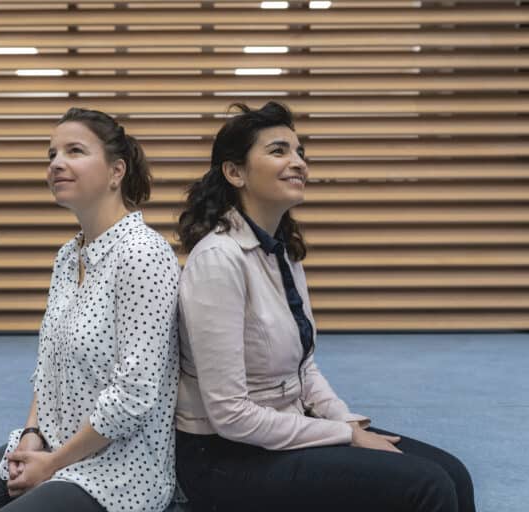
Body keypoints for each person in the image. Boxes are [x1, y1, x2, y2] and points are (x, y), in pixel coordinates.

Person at [174, 101, 475, 512]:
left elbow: (305, 370)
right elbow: (230, 416)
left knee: (454, 473)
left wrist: (346, 420)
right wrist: (346, 436)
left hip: (285, 429)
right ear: (235, 172)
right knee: (428, 486)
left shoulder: (282, 252)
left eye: (300, 153)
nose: (298, 162)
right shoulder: (218, 260)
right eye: (279, 151)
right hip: (223, 458)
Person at [0, 108, 181, 512]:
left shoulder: (143, 254)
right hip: (50, 444)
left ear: (116, 171)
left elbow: (133, 396)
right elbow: (49, 362)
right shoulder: (68, 256)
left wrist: (52, 465)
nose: (57, 163)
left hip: (118, 470)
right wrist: (31, 435)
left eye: (75, 151)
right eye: (52, 155)